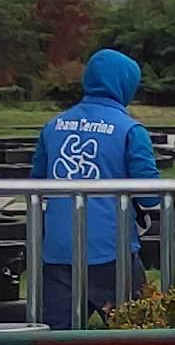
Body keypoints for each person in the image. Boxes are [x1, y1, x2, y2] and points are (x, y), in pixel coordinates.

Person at [30, 48, 161, 328]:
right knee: (137, 332)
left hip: (58, 250)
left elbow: (37, 183)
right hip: (112, 250)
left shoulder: (53, 126)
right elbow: (150, 196)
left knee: (55, 338)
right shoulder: (130, 130)